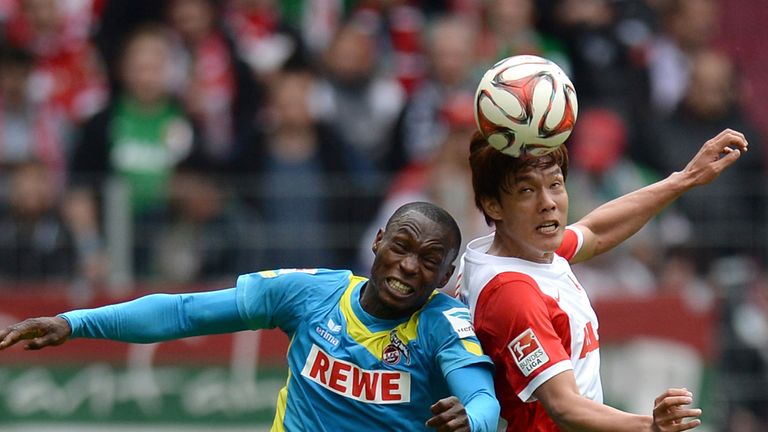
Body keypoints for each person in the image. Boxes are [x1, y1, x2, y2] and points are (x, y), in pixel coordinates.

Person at [0, 201, 501, 431]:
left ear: (443, 276)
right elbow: (182, 312)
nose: (409, 266)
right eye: (401, 247)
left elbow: (482, 399)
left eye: (429, 261)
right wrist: (76, 322)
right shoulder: (310, 293)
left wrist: (471, 421)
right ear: (377, 242)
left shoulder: (443, 324)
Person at [455, 128, 749, 430]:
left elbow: (595, 232)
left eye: (555, 184)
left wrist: (687, 177)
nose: (548, 203)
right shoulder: (513, 294)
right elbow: (563, 406)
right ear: (492, 205)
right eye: (527, 191)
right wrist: (649, 426)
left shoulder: (515, 251)